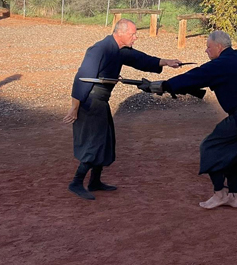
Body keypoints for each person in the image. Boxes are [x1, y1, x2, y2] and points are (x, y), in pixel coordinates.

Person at [63, 19, 182, 200]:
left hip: (101, 101)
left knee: (104, 140)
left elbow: (141, 59)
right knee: (94, 142)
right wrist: (74, 107)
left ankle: (95, 182)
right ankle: (76, 183)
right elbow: (82, 78)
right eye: (132, 34)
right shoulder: (100, 49)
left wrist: (167, 62)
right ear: (120, 33)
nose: (136, 37)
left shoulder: (120, 51)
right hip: (90, 101)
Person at [146, 30, 237, 209]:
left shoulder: (220, 65)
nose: (206, 51)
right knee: (231, 151)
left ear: (219, 46)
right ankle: (233, 195)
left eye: (208, 47)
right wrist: (182, 87)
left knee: (210, 147)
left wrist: (161, 86)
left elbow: (195, 76)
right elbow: (203, 79)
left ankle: (220, 194)